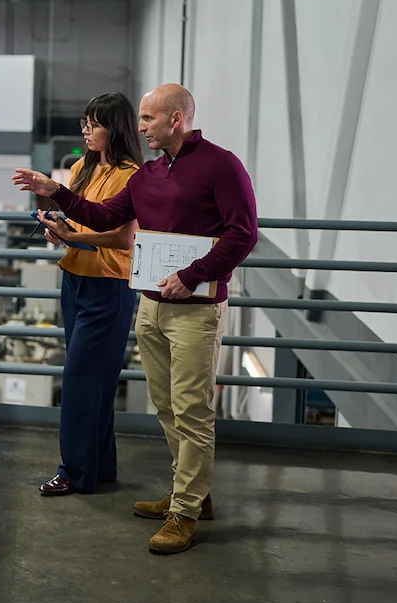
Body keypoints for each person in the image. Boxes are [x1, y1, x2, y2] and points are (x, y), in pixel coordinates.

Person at [13, 84, 257, 555]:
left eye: (148, 118)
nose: (140, 126)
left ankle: (184, 514)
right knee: (165, 407)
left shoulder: (221, 165)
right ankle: (192, 493)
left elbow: (243, 234)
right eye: (140, 119)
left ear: (177, 120)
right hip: (150, 302)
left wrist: (193, 275)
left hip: (195, 308)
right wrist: (56, 191)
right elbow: (103, 214)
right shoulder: (150, 174)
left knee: (192, 411)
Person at [35, 93, 143, 500]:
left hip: (108, 283)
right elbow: (78, 218)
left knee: (80, 379)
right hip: (75, 278)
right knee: (93, 380)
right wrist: (57, 225)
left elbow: (123, 236)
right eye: (84, 122)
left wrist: (74, 236)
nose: (86, 130)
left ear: (115, 128)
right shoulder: (82, 166)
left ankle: (74, 471)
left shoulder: (131, 175)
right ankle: (100, 467)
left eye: (94, 123)